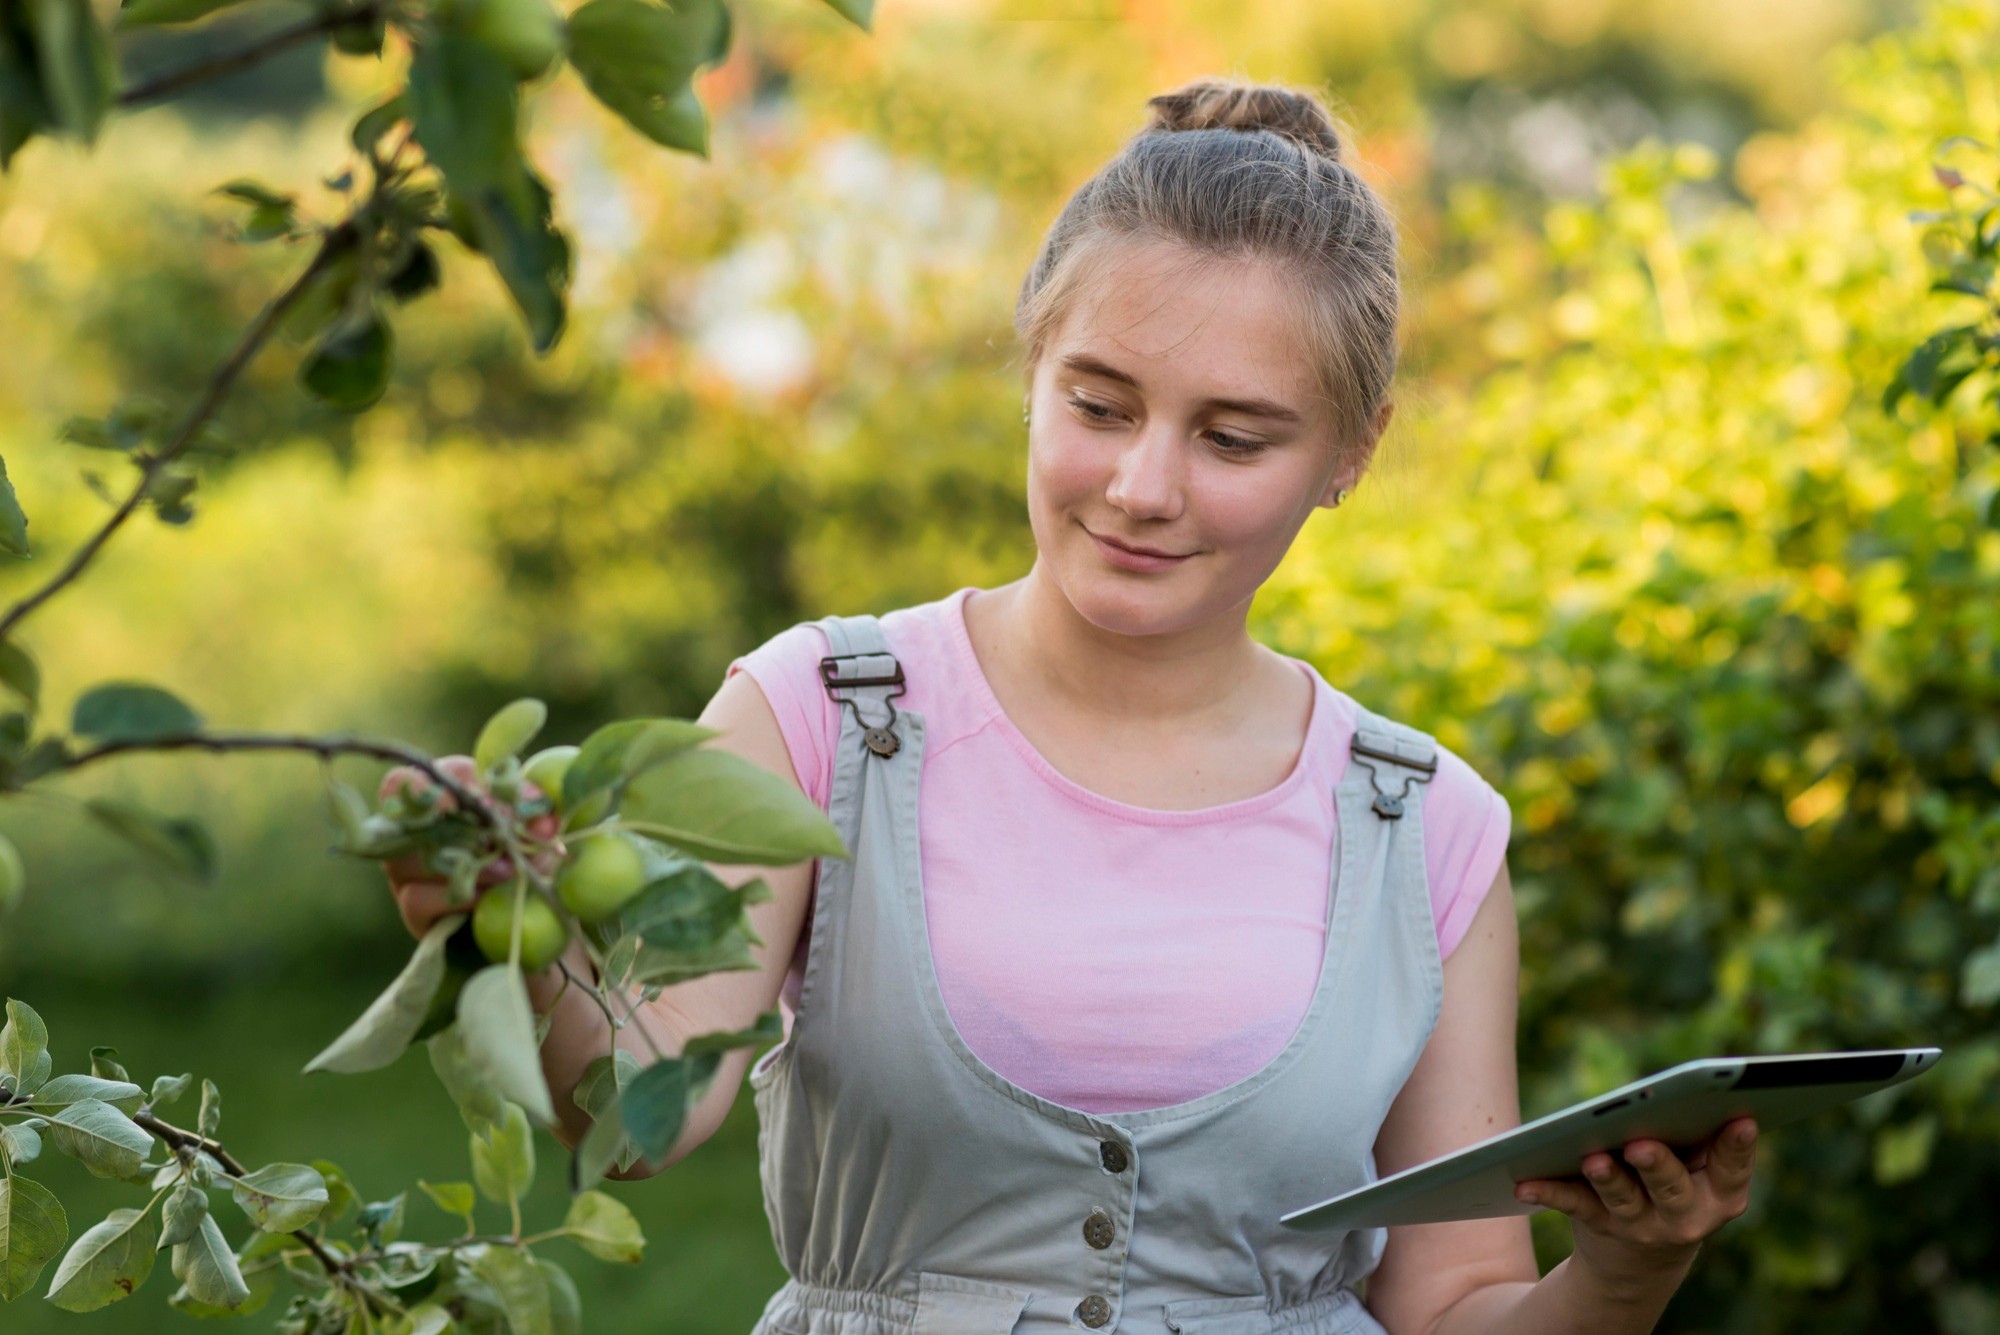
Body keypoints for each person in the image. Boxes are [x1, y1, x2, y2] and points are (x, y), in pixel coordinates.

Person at [383, 78, 1757, 1335]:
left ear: (1353, 450)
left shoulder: (1425, 830)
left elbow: (1453, 1304)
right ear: (1032, 368)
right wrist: (497, 931)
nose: (1143, 487)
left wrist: (1632, 1267)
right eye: (1099, 405)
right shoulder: (819, 718)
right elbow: (631, 1117)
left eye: (1233, 438)